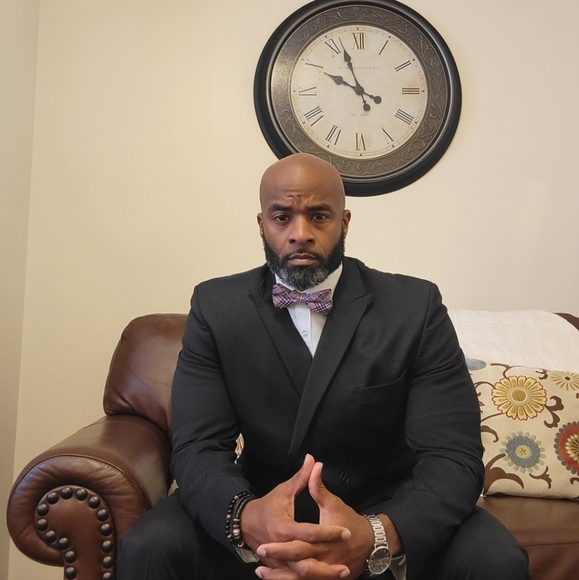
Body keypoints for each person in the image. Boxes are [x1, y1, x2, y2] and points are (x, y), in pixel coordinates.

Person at [118, 153, 529, 580]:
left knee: (495, 560)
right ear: (261, 224)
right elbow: (198, 447)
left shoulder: (414, 307)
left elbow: (452, 454)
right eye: (282, 217)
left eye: (318, 216)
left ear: (344, 222)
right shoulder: (216, 308)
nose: (300, 234)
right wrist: (247, 517)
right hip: (261, 504)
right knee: (150, 546)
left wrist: (377, 535)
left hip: (383, 511)